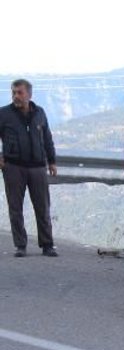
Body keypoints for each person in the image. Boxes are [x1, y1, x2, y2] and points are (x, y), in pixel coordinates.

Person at [0, 79, 58, 257]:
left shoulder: (39, 113)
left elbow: (47, 138)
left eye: (20, 92)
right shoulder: (4, 114)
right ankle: (20, 246)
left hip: (38, 167)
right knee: (15, 208)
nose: (16, 96)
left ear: (29, 94)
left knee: (42, 207)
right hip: (13, 167)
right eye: (14, 92)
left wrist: (52, 161)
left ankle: (47, 245)